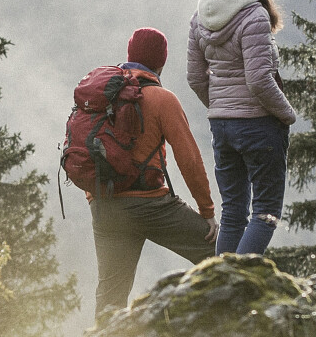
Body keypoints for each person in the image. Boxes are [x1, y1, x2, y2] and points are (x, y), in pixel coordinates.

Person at [85, 27, 217, 311]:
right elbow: (189, 160)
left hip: (104, 205)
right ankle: (232, 328)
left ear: (130, 55)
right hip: (152, 206)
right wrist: (207, 213)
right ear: (161, 62)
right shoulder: (161, 99)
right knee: (219, 254)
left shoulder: (100, 93)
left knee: (110, 296)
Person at [188, 0, 299, 256]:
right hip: (258, 126)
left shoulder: (200, 15)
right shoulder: (253, 16)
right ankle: (237, 286)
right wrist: (287, 115)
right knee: (265, 213)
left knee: (233, 212)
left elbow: (195, 77)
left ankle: (220, 286)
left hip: (221, 127)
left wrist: (221, 107)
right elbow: (259, 80)